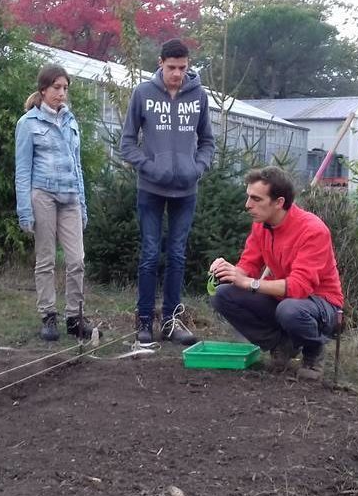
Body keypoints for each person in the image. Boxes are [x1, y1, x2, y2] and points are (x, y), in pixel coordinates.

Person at [119, 38, 215, 346]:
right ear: (160, 63)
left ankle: (172, 321)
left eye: (182, 68)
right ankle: (144, 320)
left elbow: (208, 142)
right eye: (172, 67)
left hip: (186, 191)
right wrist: (150, 167)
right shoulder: (142, 94)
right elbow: (127, 143)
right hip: (150, 188)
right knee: (149, 253)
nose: (177, 74)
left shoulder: (198, 96)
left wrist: (197, 168)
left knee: (176, 254)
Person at [209, 166, 344, 380]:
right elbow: (248, 265)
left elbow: (298, 288)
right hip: (282, 298)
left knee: (290, 310)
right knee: (222, 294)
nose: (248, 205)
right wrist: (227, 270)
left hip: (321, 303)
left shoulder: (313, 230)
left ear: (279, 202)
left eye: (256, 199)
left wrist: (250, 283)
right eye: (248, 197)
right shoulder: (261, 226)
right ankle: (282, 345)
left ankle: (313, 351)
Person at [15, 64, 99, 341]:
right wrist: (25, 211)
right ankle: (48, 316)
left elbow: (77, 167)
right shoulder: (28, 124)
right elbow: (22, 170)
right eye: (56, 88)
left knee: (77, 260)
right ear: (43, 90)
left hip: (71, 197)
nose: (61, 93)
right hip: (44, 195)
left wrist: (83, 205)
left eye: (65, 88)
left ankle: (74, 318)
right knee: (46, 259)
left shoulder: (71, 121)